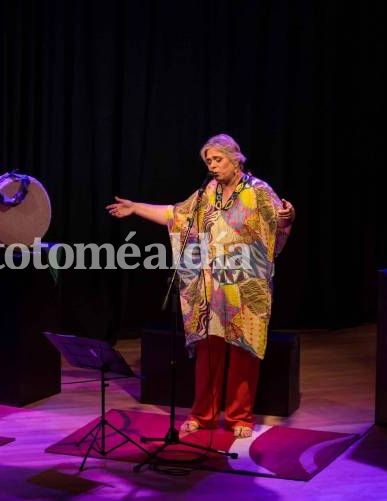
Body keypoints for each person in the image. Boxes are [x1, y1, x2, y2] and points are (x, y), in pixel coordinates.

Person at [106, 133, 294, 438]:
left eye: (217, 159)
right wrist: (136, 207)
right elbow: (175, 214)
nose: (213, 166)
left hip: (246, 286)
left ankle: (239, 417)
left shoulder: (258, 191)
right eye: (208, 161)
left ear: (235, 159)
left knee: (244, 351)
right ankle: (203, 415)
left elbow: (280, 222)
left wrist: (288, 216)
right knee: (209, 350)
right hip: (211, 285)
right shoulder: (208, 192)